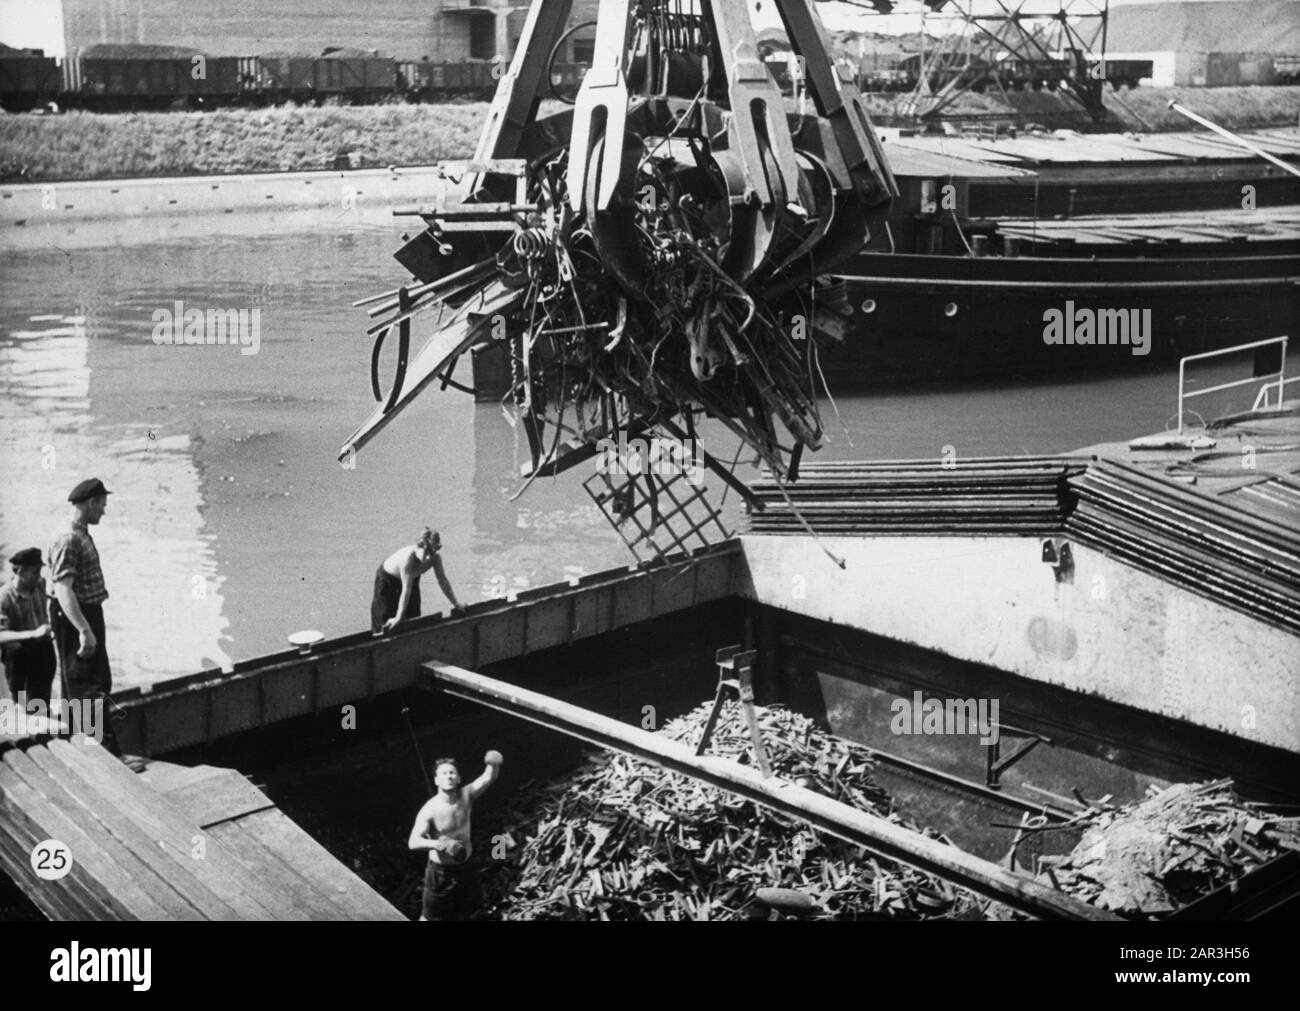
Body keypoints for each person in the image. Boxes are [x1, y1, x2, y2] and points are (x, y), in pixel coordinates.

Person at [47, 478, 122, 756]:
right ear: (90, 503)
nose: (103, 511)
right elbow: (62, 589)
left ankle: (70, 745)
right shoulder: (69, 537)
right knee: (91, 683)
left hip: (83, 612)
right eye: (101, 506)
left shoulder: (78, 532)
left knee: (73, 683)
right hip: (76, 614)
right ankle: (107, 754)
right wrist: (84, 630)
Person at [408, 751, 503, 921]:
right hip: (441, 873)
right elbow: (413, 842)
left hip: (466, 868)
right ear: (437, 780)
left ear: (458, 778)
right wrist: (440, 844)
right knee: (430, 917)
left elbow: (488, 778)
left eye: (452, 773)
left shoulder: (466, 795)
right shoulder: (430, 809)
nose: (449, 776)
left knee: (467, 911)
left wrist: (493, 764)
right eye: (444, 773)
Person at [371, 527, 464, 633]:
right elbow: (406, 590)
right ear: (419, 546)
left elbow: (443, 582)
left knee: (414, 618)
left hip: (411, 579)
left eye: (432, 552)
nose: (428, 558)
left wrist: (456, 604)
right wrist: (398, 617)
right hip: (388, 580)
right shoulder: (408, 559)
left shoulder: (435, 558)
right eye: (426, 552)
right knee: (386, 622)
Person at [0, 548, 55, 708]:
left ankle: (41, 715)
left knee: (41, 696)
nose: (39, 576)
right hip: (19, 655)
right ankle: (21, 709)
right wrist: (32, 634)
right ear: (20, 571)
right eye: (35, 572)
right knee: (15, 651)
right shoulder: (4, 597)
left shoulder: (40, 585)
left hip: (42, 650)